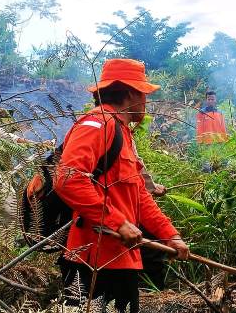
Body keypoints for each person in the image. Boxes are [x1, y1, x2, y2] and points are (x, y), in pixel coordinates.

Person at [54, 58, 189, 312]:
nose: (146, 101)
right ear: (129, 93)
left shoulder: (121, 131)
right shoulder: (97, 125)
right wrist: (116, 222)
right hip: (91, 260)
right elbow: (67, 178)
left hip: (121, 259)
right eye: (143, 93)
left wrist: (170, 235)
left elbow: (139, 196)